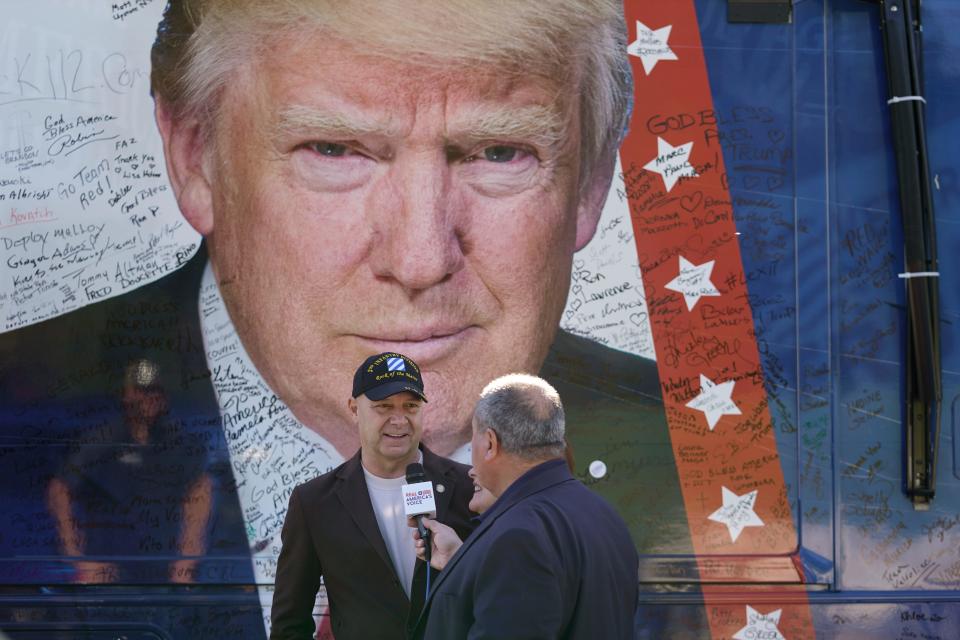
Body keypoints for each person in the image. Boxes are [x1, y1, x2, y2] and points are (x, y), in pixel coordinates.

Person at [147, 0, 686, 559]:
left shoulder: (726, 466)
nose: (421, 260)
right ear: (195, 157)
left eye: (499, 154)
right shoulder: (51, 425)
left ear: (592, 182)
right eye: (333, 150)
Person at [411, 374, 638, 640]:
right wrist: (461, 560)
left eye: (472, 440)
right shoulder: (602, 513)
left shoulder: (518, 536)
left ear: (490, 444)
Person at [269, 352, 475, 640]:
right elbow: (289, 623)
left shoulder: (469, 488)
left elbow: (500, 592)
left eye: (411, 406)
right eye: (384, 406)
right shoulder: (315, 502)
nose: (400, 420)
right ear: (354, 408)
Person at [46, 358, 214, 584]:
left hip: (164, 577)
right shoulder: (102, 441)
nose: (150, 397)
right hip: (108, 574)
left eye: (155, 390)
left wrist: (186, 563)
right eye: (142, 391)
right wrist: (74, 558)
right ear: (126, 395)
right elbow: (59, 490)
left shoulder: (180, 443)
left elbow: (200, 492)